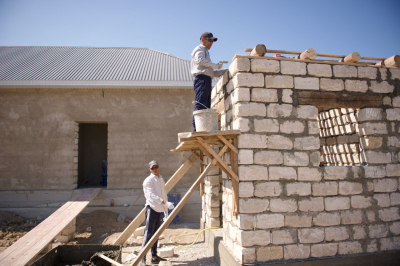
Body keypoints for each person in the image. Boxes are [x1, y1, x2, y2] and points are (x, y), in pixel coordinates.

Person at [191, 32, 228, 131]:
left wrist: (221, 72)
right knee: (201, 103)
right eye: (210, 40)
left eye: (213, 41)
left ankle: (203, 127)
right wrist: (215, 65)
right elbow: (200, 60)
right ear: (203, 39)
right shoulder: (199, 49)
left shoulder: (206, 52)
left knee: (206, 105)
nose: (211, 43)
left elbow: (209, 72)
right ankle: (196, 127)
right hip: (201, 79)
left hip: (206, 79)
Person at [140, 161, 174, 266]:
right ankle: (142, 258)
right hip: (152, 209)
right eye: (152, 168)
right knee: (149, 234)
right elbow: (151, 196)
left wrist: (165, 211)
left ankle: (154, 256)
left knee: (156, 234)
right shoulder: (148, 181)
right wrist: (165, 203)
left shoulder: (161, 180)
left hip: (160, 209)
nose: (155, 169)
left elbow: (163, 194)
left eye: (156, 167)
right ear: (150, 169)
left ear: (159, 167)